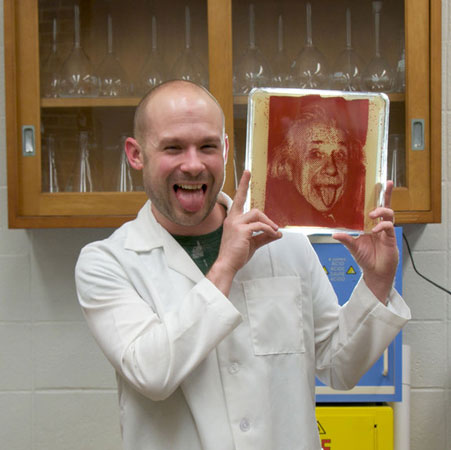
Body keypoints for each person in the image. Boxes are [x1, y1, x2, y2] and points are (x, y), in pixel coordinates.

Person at [75, 80, 410, 450]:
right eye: (173, 148)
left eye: (207, 146)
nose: (193, 164)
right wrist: (226, 266)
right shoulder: (108, 262)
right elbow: (152, 373)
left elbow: (338, 367)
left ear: (227, 149)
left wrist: (378, 283)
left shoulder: (286, 242)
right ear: (136, 155)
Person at [266, 100, 366, 230]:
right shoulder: (275, 225)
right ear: (287, 166)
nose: (331, 169)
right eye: (315, 154)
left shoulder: (350, 223)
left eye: (340, 155)